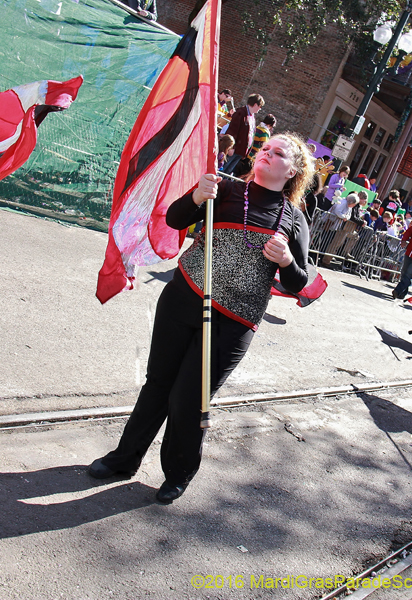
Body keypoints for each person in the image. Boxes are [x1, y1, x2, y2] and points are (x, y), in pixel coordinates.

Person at [88, 134, 315, 504]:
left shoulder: (294, 219)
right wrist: (196, 196)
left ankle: (178, 473)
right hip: (184, 296)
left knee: (190, 398)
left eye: (278, 153)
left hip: (236, 319)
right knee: (158, 383)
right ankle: (123, 459)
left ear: (293, 170)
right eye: (264, 148)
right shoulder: (223, 188)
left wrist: (287, 261)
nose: (267, 153)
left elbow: (300, 282)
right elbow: (175, 218)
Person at [223, 93, 264, 175]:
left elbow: (251, 133)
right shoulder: (241, 113)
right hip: (234, 149)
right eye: (260, 106)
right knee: (223, 168)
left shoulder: (252, 117)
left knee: (228, 171)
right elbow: (233, 130)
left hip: (240, 151)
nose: (260, 109)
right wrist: (231, 147)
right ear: (255, 104)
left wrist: (246, 151)